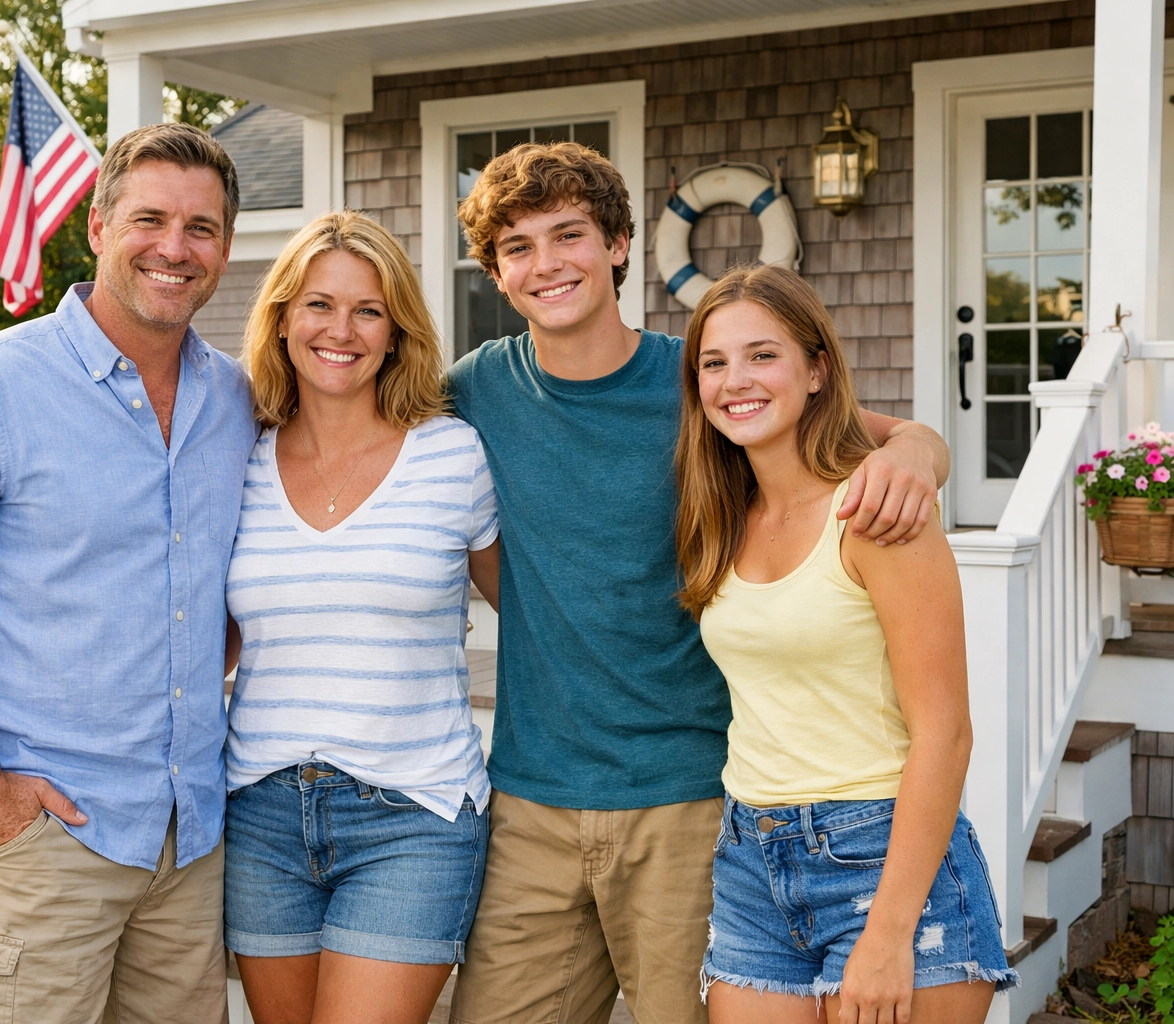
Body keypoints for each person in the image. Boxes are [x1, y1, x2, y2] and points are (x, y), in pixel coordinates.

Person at [445, 141, 953, 1024]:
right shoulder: (475, 389)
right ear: (495, 273)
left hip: (690, 796)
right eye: (517, 246)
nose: (546, 263)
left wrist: (917, 452)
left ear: (618, 245)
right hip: (531, 795)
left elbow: (885, 432)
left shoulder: (704, 379)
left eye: (568, 234)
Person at [0, 122, 255, 1024]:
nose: (175, 247)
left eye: (201, 227)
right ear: (98, 227)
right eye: (150, 219)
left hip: (188, 844)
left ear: (225, 248)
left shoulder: (234, 398)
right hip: (39, 842)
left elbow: (215, 591)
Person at [679, 264, 1015, 1022]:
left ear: (817, 370)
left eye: (763, 355)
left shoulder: (878, 513)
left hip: (882, 853)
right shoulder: (723, 517)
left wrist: (890, 933)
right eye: (714, 362)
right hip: (751, 857)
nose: (737, 380)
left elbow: (946, 732)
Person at [222, 210, 500, 1024]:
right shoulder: (237, 456)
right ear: (282, 320)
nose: (340, 331)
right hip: (261, 810)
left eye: (367, 310)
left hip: (412, 813)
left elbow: (532, 616)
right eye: (318, 304)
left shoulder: (452, 454)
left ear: (395, 331)